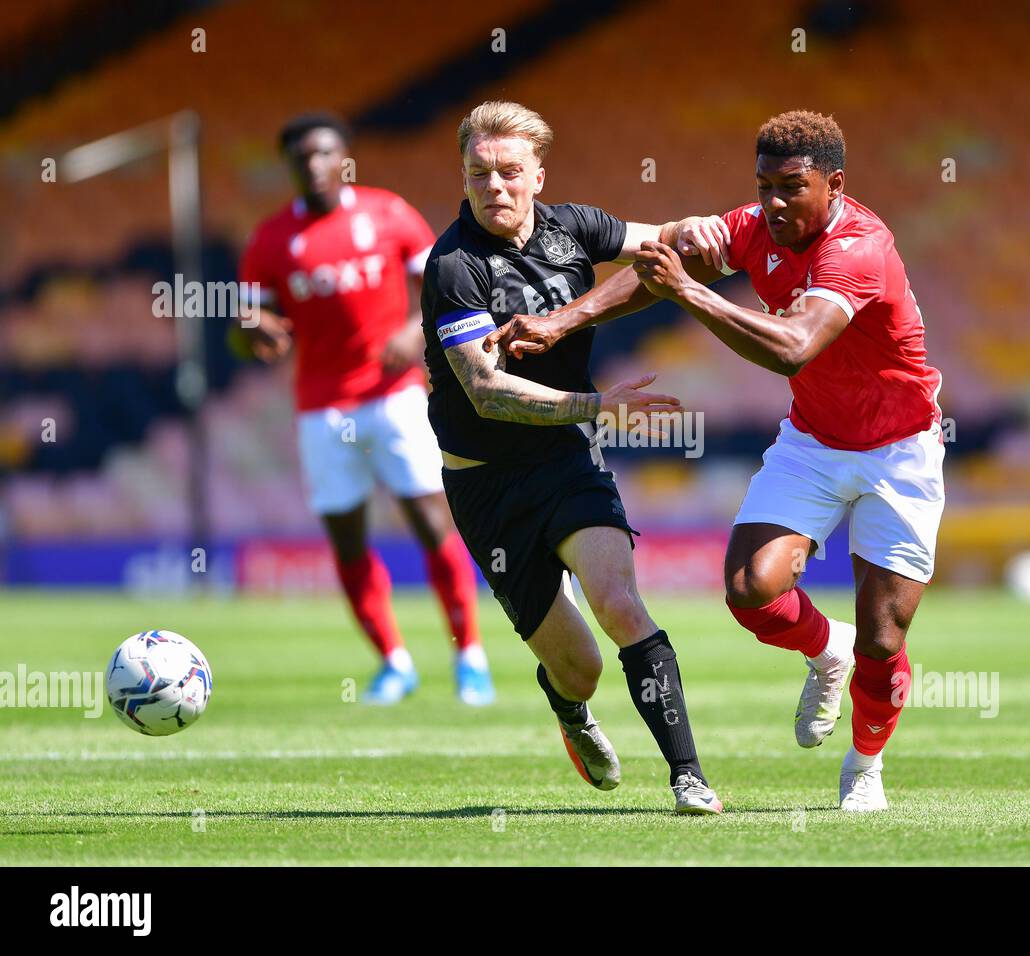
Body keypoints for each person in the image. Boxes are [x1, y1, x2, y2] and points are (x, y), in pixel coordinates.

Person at [489, 110, 946, 812]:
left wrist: (690, 291)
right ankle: (828, 650)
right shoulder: (756, 227)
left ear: (836, 185)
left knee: (885, 639)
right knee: (748, 587)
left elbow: (792, 346)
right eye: (763, 186)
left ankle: (864, 769)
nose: (774, 203)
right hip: (816, 440)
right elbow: (658, 267)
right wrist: (561, 320)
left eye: (792, 187)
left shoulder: (859, 247)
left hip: (900, 451)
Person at [422, 100, 723, 813]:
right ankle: (570, 711)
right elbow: (487, 392)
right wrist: (600, 406)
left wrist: (706, 225)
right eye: (478, 174)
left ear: (536, 176)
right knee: (581, 669)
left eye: (508, 173)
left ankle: (688, 777)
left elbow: (666, 240)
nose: (493, 187)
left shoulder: (574, 228)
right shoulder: (453, 267)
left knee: (619, 604)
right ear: (463, 179)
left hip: (565, 460)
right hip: (487, 490)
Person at [237, 112, 494, 706]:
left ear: (344, 157)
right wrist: (254, 331)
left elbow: (446, 285)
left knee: (433, 524)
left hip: (393, 397)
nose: (315, 164)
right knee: (347, 541)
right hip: (321, 410)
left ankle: (469, 657)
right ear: (291, 167)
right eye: (302, 157)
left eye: (325, 153)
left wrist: (414, 329)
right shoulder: (272, 239)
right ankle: (394, 662)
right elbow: (247, 323)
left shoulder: (387, 213)